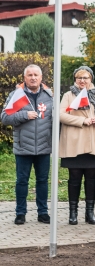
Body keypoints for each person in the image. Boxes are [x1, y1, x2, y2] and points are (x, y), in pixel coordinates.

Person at [1, 64, 53, 225]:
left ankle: (43, 212)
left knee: (42, 181)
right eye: (30, 75)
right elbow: (4, 117)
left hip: (44, 146)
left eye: (36, 75)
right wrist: (24, 115)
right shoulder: (16, 95)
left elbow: (56, 119)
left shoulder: (49, 96)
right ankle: (20, 213)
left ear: (41, 78)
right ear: (24, 78)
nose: (33, 78)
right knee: (22, 181)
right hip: (23, 146)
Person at [59, 66, 95, 226]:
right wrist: (82, 120)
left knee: (91, 178)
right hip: (74, 144)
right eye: (79, 78)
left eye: (86, 78)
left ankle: (90, 212)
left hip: (93, 144)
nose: (82, 81)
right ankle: (73, 213)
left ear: (91, 79)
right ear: (75, 79)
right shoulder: (68, 95)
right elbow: (61, 115)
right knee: (74, 178)